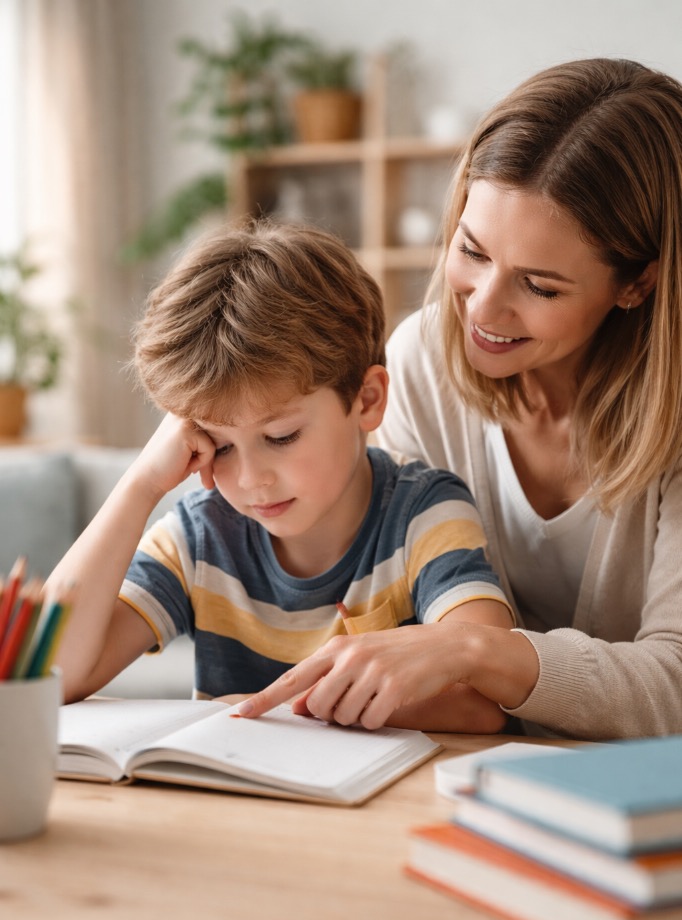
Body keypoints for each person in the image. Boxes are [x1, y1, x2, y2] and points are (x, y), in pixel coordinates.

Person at [240, 57, 682, 740]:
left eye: (540, 286)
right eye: (472, 251)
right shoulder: (420, 364)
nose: (484, 307)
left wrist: (481, 650)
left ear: (638, 284)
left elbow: (674, 686)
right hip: (474, 772)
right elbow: (399, 621)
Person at [47, 220, 513, 731]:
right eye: (220, 446)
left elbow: (480, 697)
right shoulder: (201, 535)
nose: (251, 480)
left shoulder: (424, 514)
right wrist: (141, 485)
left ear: (368, 399)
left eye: (282, 436)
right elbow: (51, 673)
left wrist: (275, 709)